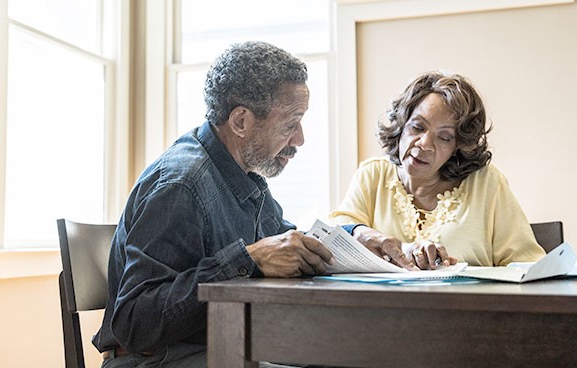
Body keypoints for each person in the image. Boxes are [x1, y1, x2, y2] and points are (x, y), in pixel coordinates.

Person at [93, 41, 418, 368]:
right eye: (291, 123)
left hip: (224, 343)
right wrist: (246, 260)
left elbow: (285, 243)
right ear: (241, 122)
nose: (300, 139)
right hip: (154, 360)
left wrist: (356, 236)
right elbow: (134, 323)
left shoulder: (243, 175)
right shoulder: (180, 185)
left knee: (348, 350)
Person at [329, 71, 546, 268]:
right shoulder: (372, 175)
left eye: (444, 137)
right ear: (402, 124)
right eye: (417, 127)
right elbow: (334, 240)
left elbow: (527, 266)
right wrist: (363, 234)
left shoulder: (487, 183)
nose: (424, 144)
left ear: (457, 147)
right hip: (384, 310)